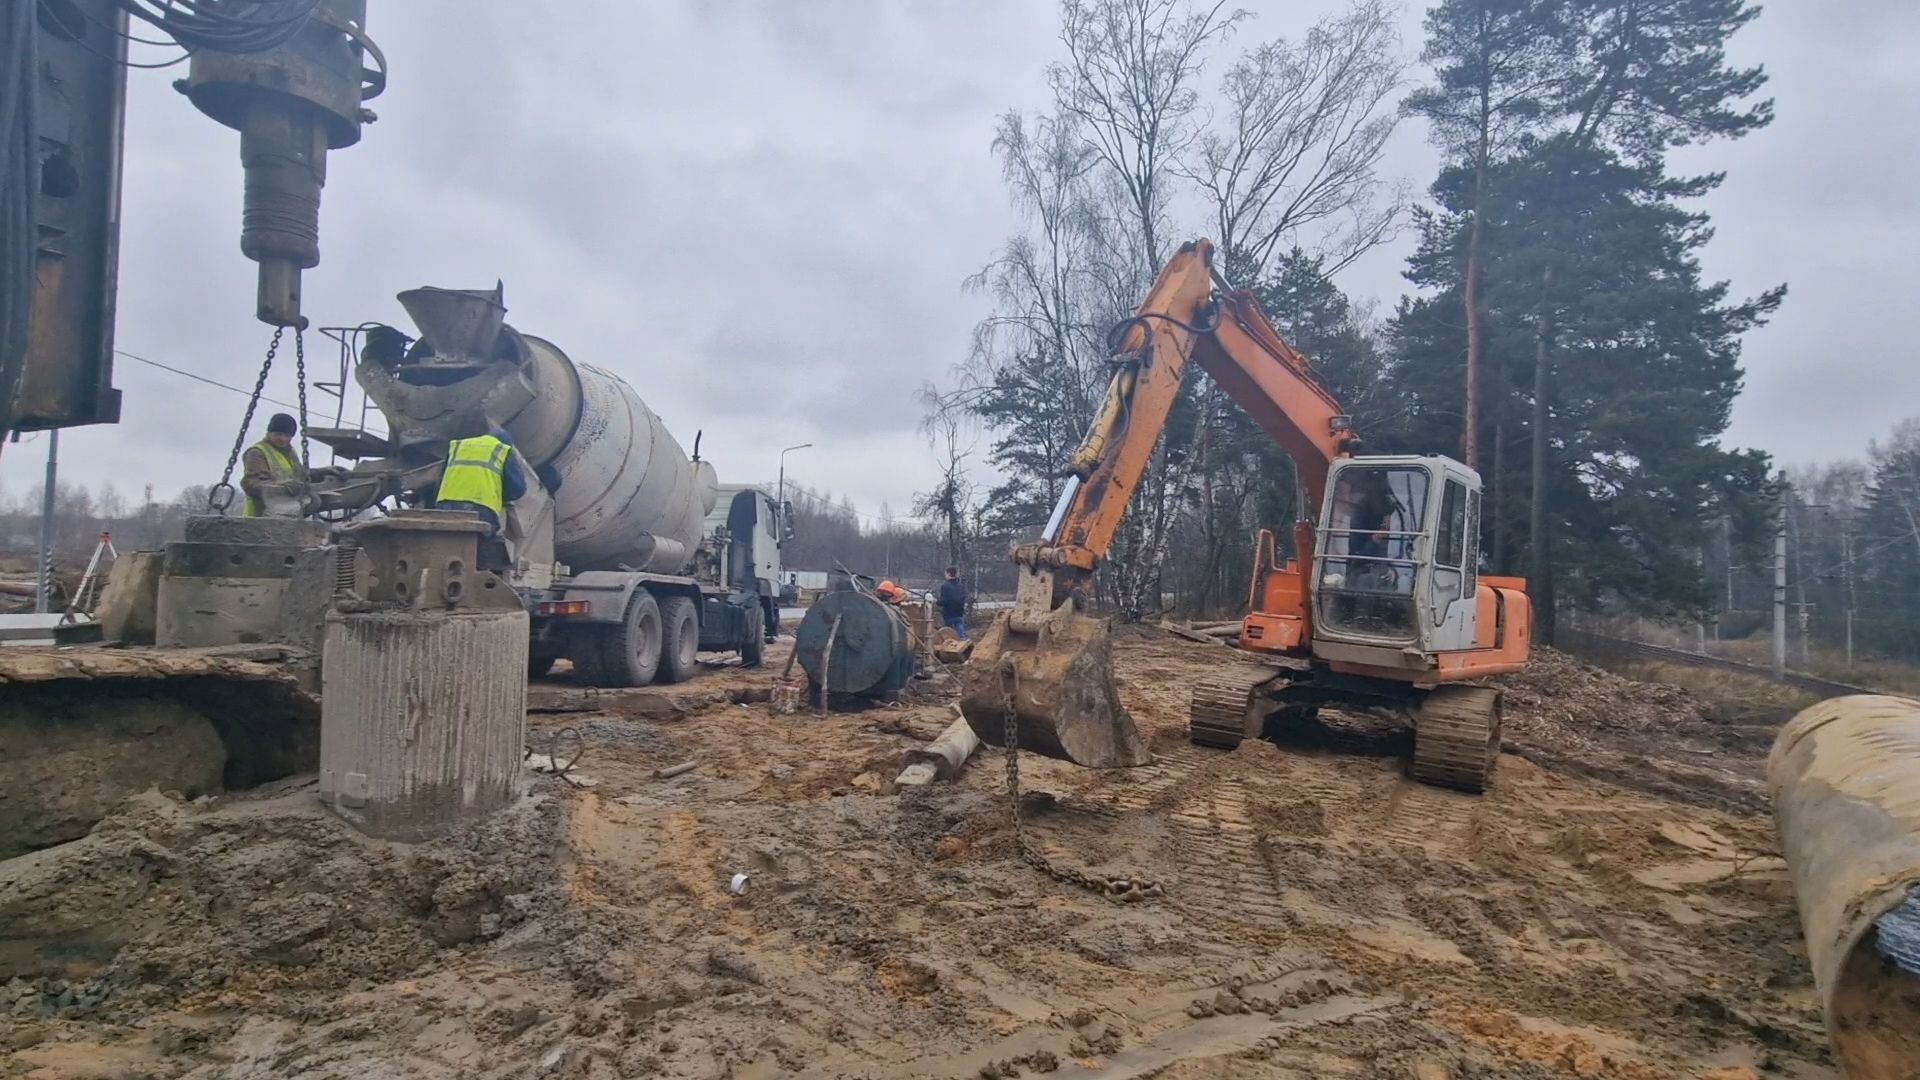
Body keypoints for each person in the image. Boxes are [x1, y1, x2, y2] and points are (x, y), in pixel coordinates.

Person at [434, 423, 527, 570]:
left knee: (445, 550)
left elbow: (439, 480)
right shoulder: (502, 450)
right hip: (481, 509)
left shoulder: (458, 445)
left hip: (445, 506)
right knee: (477, 558)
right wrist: (500, 495)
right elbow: (518, 488)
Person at [240, 413, 309, 518]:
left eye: (287, 436)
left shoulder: (289, 452)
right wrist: (283, 486)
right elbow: (252, 484)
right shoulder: (257, 452)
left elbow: (300, 475)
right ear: (269, 433)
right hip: (260, 515)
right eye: (278, 434)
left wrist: (325, 471)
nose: (283, 439)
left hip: (288, 513)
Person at [937, 566, 968, 640]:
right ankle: (964, 644)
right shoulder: (961, 586)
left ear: (948, 574)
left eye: (945, 573)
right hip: (959, 613)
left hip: (948, 614)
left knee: (947, 635)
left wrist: (937, 602)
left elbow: (944, 600)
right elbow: (963, 597)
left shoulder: (945, 586)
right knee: (961, 633)